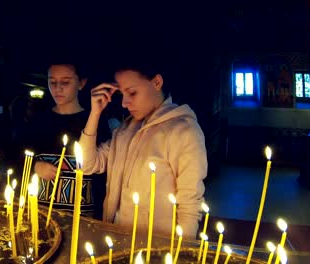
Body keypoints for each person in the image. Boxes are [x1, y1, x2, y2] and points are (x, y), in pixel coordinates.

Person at [79, 59, 207, 239]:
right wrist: (95, 114)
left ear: (157, 82)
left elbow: (190, 204)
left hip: (155, 248)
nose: (124, 102)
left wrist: (182, 252)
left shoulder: (183, 131)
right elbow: (86, 165)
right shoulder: (125, 130)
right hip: (116, 240)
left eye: (132, 92)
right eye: (121, 93)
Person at [25, 61, 111, 219]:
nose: (58, 88)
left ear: (81, 83)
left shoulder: (94, 120)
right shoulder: (39, 119)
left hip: (83, 215)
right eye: (52, 82)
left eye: (65, 82)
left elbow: (103, 168)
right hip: (42, 212)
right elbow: (20, 156)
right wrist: (35, 167)